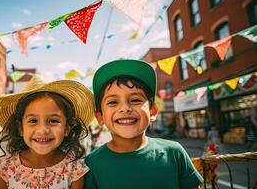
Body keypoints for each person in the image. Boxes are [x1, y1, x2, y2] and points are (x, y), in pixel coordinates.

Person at [84, 59, 203, 189]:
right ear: (100, 116)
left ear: (152, 111)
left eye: (135, 100)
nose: (125, 108)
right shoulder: (91, 163)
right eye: (113, 102)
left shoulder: (174, 152)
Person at [0, 75, 95, 189]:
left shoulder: (74, 168)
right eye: (33, 121)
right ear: (21, 129)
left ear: (66, 129)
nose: (43, 130)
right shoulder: (6, 168)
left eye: (53, 120)